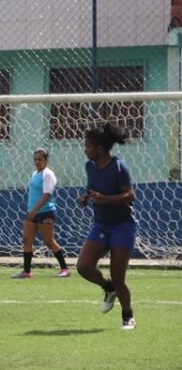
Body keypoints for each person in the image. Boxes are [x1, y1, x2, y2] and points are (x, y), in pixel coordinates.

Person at [76, 123, 137, 330]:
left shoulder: (119, 166)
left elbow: (130, 195)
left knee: (119, 278)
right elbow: (92, 189)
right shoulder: (90, 166)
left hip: (123, 227)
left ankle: (128, 316)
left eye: (88, 146)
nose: (85, 150)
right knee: (83, 267)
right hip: (101, 226)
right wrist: (85, 198)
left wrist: (105, 199)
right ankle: (108, 287)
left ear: (100, 148)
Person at [11, 148, 70, 279]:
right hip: (32, 212)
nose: (37, 162)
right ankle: (26, 272)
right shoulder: (34, 174)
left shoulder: (48, 174)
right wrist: (31, 210)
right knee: (26, 239)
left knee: (48, 241)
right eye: (35, 159)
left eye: (40, 159)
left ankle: (65, 269)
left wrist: (35, 210)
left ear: (46, 160)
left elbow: (47, 194)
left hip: (45, 212)